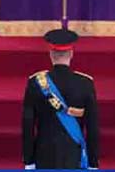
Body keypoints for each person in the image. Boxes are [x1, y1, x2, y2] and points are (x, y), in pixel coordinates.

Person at [22, 32, 99, 169]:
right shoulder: (85, 83)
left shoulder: (35, 82)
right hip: (75, 158)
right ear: (71, 53)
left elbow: (28, 125)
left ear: (51, 54)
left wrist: (29, 160)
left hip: (43, 156)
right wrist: (92, 162)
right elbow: (92, 128)